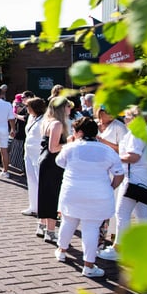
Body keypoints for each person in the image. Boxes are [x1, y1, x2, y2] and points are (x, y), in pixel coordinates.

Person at [53, 118, 124, 277]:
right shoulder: (107, 150)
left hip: (72, 191)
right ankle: (89, 265)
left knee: (68, 221)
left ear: (80, 132)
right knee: (91, 228)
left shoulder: (71, 148)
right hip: (99, 194)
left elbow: (59, 162)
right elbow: (119, 174)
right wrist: (110, 187)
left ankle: (61, 251)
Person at [98, 107, 147, 261]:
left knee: (122, 213)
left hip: (134, 178)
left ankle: (119, 248)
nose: (125, 120)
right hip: (145, 178)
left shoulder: (137, 133)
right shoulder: (144, 132)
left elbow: (134, 156)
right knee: (142, 214)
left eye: (127, 117)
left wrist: (115, 157)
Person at [36, 96, 71, 242]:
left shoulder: (47, 121)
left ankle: (42, 225)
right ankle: (50, 230)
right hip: (52, 162)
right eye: (68, 106)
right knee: (52, 195)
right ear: (62, 108)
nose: (70, 109)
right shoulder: (57, 124)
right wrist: (70, 142)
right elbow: (53, 148)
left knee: (44, 193)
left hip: (45, 160)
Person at [21, 97, 47, 217]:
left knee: (40, 180)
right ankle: (33, 206)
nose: (26, 108)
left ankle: (42, 207)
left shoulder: (45, 119)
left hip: (38, 152)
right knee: (31, 179)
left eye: (28, 106)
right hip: (28, 152)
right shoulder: (31, 118)